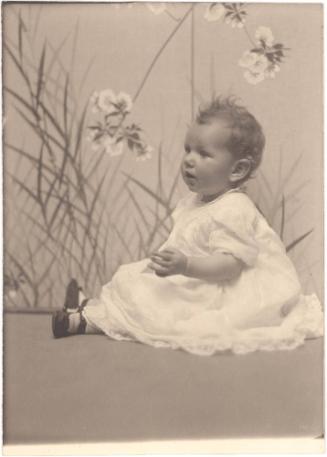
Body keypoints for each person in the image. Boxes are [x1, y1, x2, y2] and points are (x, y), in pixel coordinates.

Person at [52, 96, 323, 355]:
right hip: (194, 279)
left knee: (158, 309)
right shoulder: (196, 202)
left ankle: (84, 321)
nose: (189, 160)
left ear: (237, 170)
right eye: (188, 150)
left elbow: (231, 265)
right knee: (140, 286)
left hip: (218, 290)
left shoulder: (234, 209)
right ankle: (92, 308)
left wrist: (186, 265)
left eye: (204, 153)